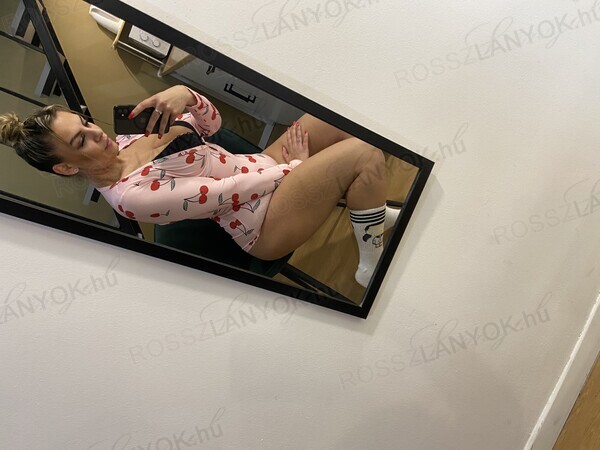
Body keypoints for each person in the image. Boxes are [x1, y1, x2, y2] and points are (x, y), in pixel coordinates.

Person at [0, 85, 400, 287]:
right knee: (362, 153)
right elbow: (226, 195)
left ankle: (371, 210)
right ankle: (369, 260)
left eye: (85, 123)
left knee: (334, 116)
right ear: (66, 168)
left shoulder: (126, 137)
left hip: (261, 170)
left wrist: (186, 96)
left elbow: (211, 126)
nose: (96, 133)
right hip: (260, 220)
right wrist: (296, 167)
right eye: (81, 140)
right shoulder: (130, 197)